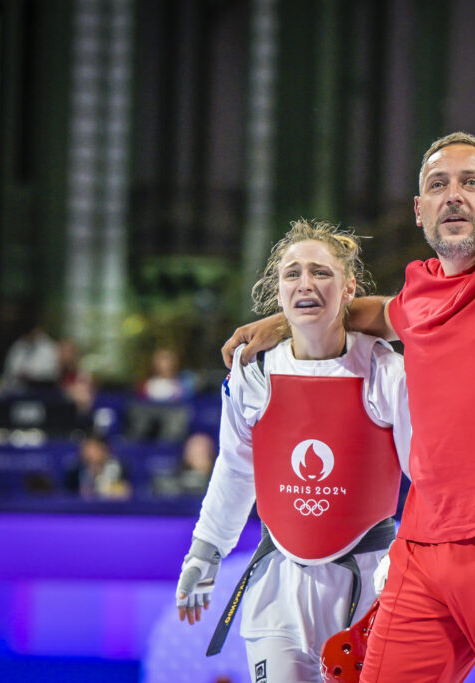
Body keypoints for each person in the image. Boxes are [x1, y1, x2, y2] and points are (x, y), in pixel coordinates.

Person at [224, 33, 475, 683]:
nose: (454, 194)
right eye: (438, 184)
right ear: (420, 211)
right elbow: (376, 313)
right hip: (425, 546)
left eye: (472, 182)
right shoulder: (422, 289)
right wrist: (283, 320)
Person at [176, 220, 411, 682]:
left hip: (369, 586)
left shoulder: (386, 371)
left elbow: (426, 475)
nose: (305, 283)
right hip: (278, 589)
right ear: (278, 291)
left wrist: (411, 561)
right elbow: (235, 469)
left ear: (349, 288)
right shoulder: (253, 372)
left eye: (321, 272)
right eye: (292, 273)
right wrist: (205, 551)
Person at [64, 435, 131, 500]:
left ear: (104, 450)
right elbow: (67, 495)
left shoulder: (118, 467)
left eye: (94, 449)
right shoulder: (75, 471)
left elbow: (125, 491)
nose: (89, 453)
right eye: (86, 449)